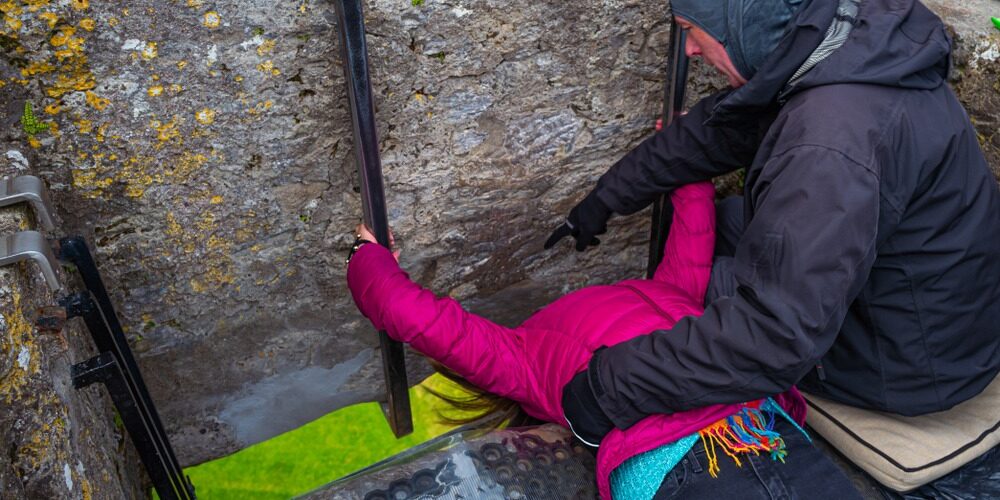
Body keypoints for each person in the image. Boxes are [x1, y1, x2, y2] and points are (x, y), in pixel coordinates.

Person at [546, 0, 1000, 494]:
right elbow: (721, 131)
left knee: (712, 283)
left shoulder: (829, 142)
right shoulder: (845, 46)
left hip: (911, 366)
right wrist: (605, 200)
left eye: (694, 32)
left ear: (749, 22)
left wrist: (604, 388)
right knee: (733, 222)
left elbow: (771, 336)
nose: (691, 50)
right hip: (945, 312)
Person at [347, 183, 862, 499]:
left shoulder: (527, 356)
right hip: (725, 440)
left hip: (732, 436)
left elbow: (428, 323)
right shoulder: (528, 361)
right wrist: (689, 167)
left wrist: (368, 260)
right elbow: (695, 240)